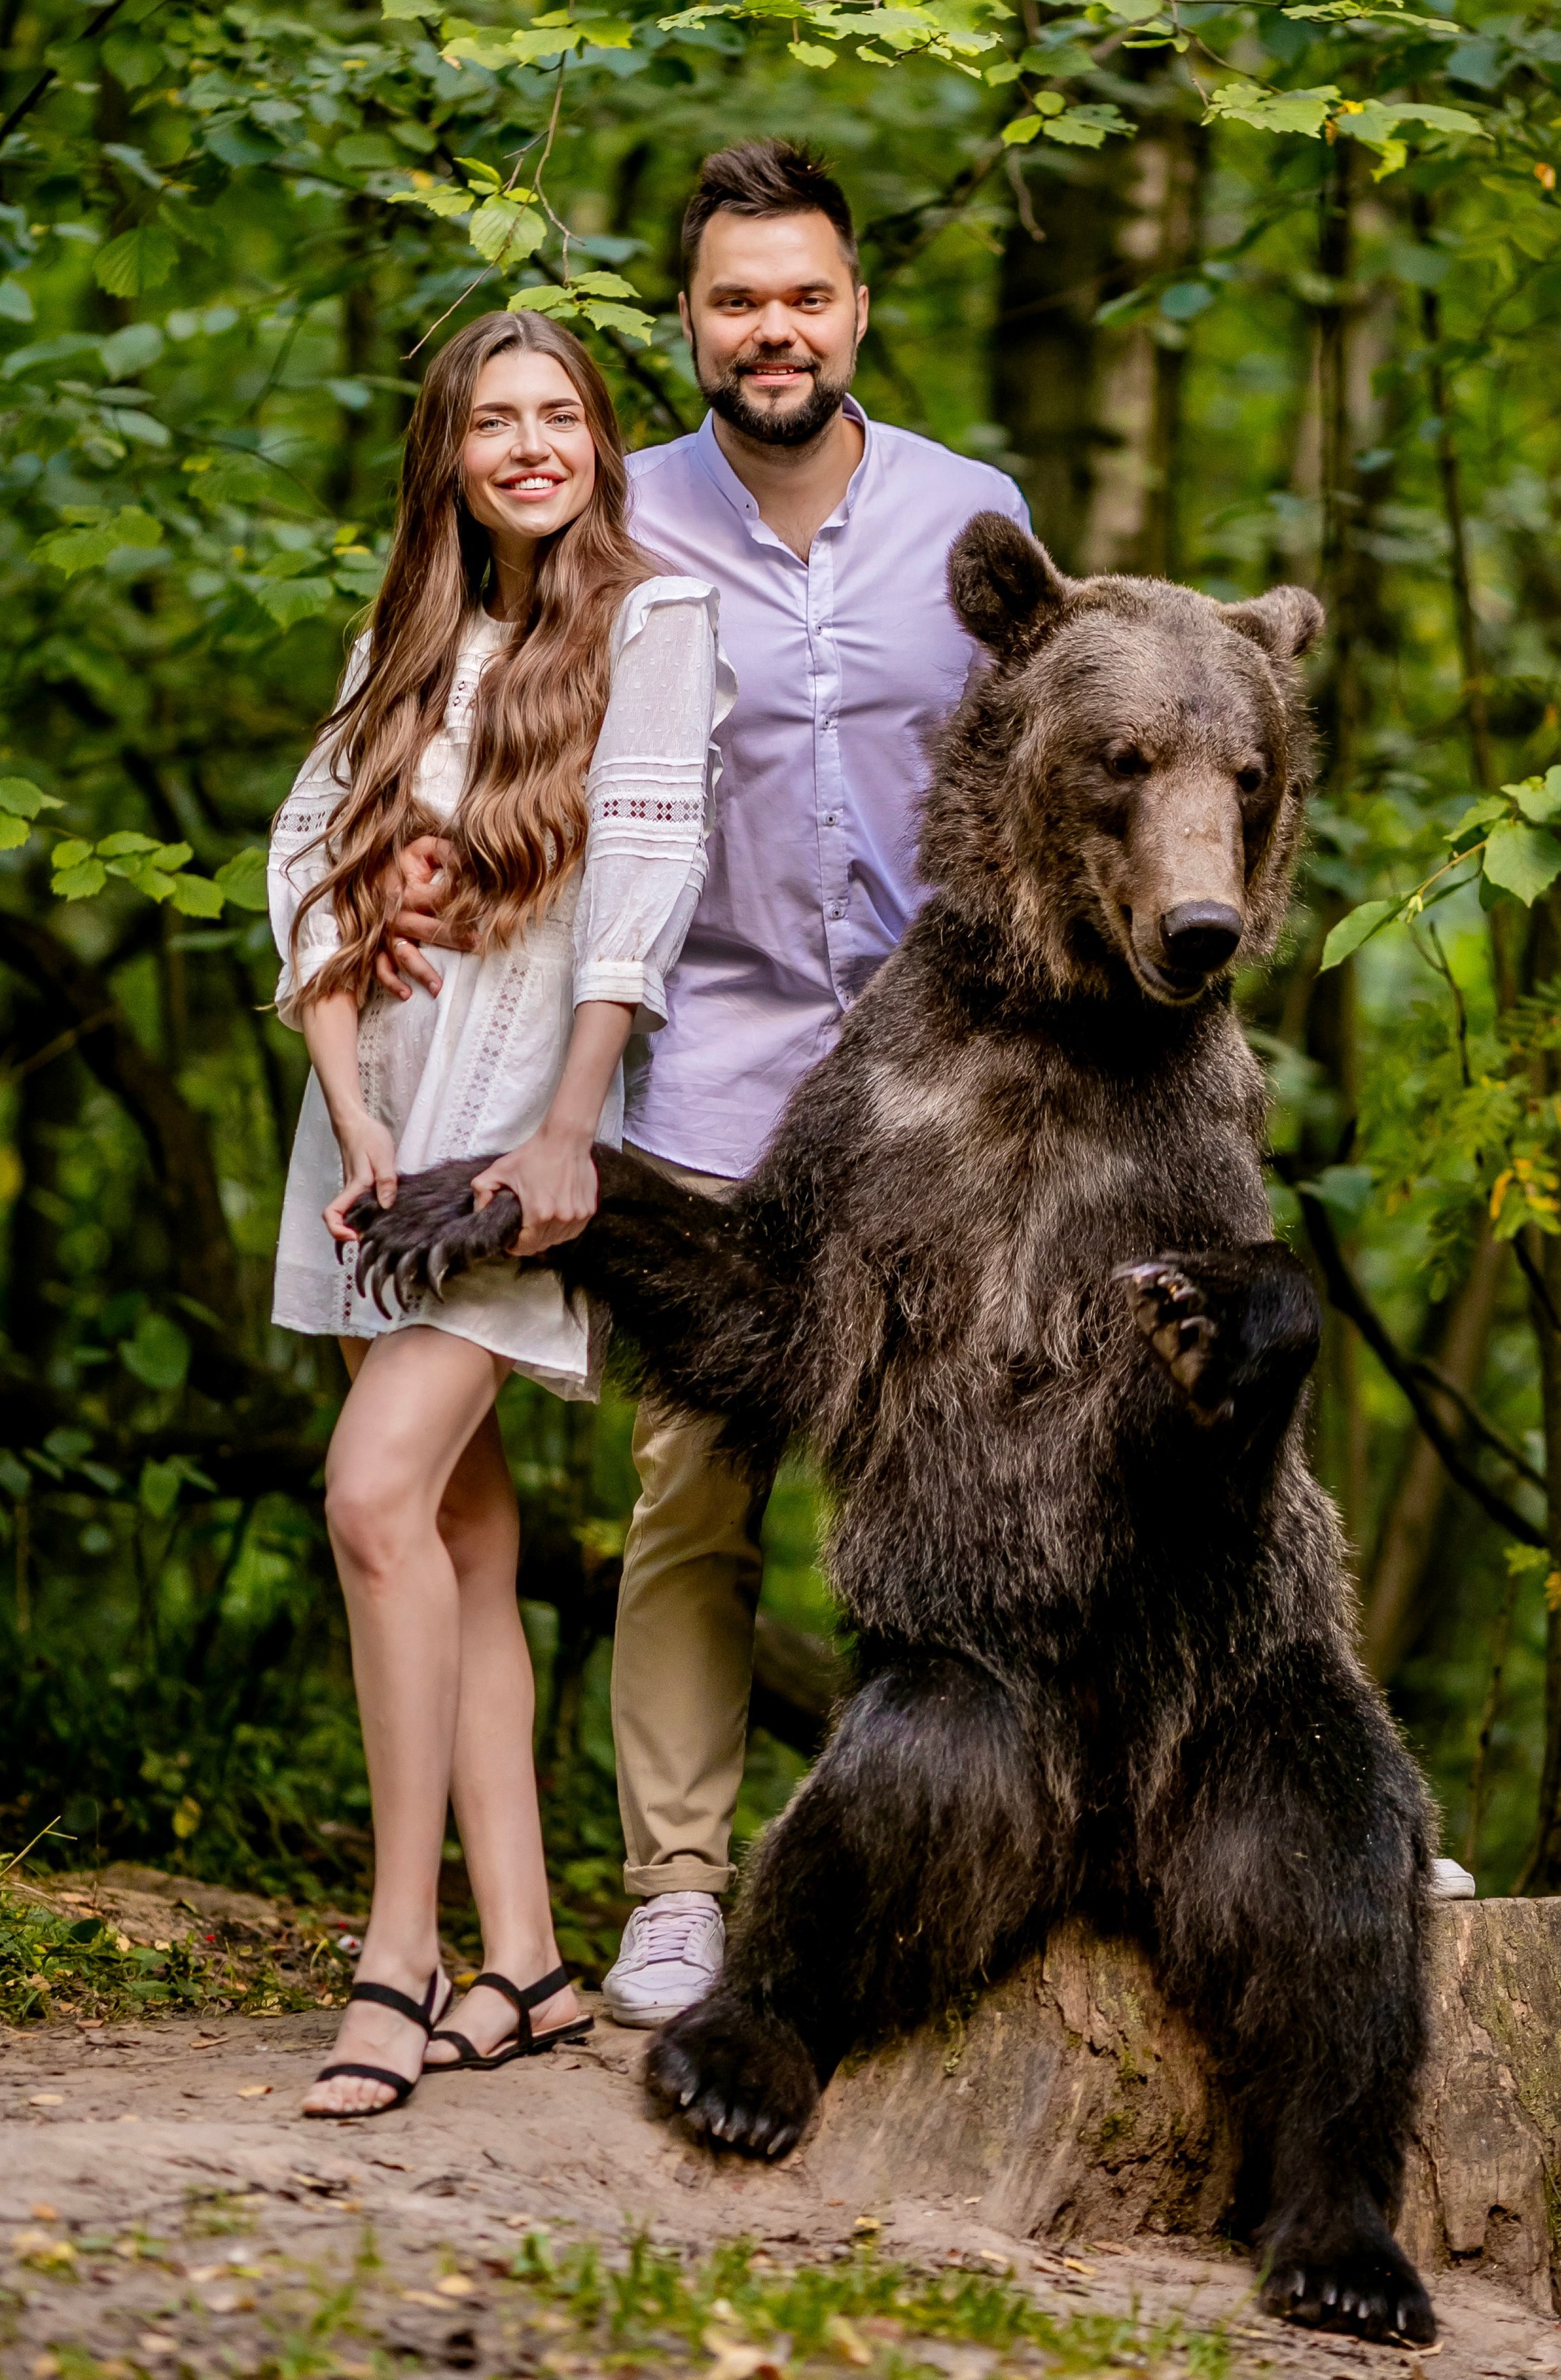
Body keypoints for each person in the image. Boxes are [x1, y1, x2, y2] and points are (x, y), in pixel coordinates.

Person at [379, 141, 1029, 2028]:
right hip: (698, 1077)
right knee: (695, 1491)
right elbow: (488, 721)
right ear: (688, 321)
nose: (773, 329)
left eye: (803, 296)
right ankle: (676, 1881)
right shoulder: (617, 518)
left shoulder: (968, 512)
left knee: (977, 1474)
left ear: (852, 308)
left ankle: (972, 1853)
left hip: (947, 1089)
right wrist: (414, 867)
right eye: (736, 300)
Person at [268, 309, 732, 2112]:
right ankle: (527, 1957)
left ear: (600, 439)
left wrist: (561, 1135)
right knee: (455, 1532)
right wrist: (352, 1102)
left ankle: (399, 1955)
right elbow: (305, 863)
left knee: (371, 1494)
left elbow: (642, 877)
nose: (527, 443)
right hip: (383, 1123)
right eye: (490, 419)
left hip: (515, 1133)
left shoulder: (650, 618)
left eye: (558, 415)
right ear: (446, 452)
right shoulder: (410, 629)